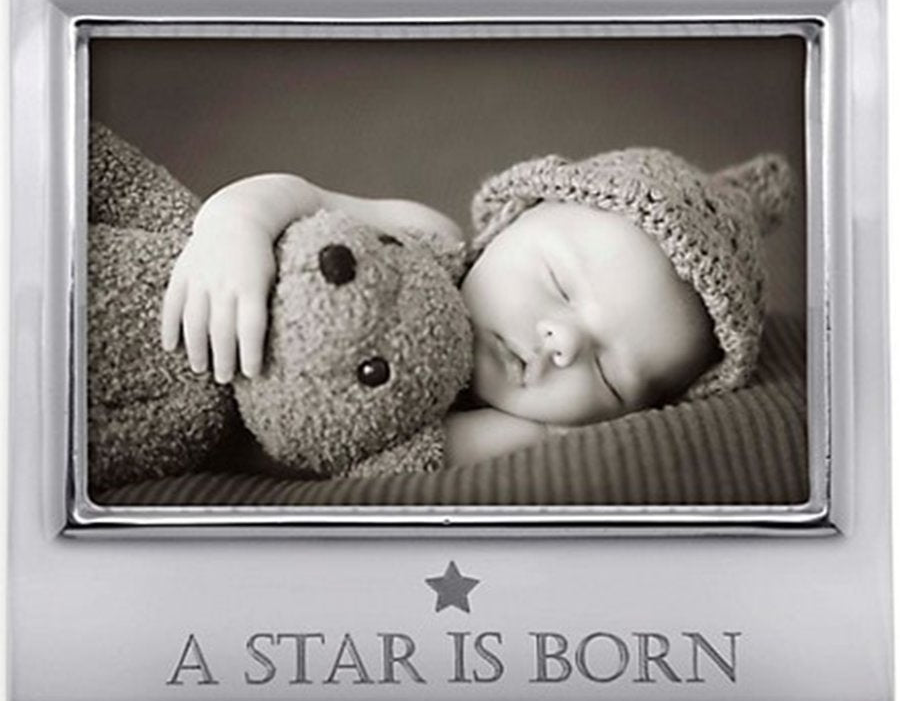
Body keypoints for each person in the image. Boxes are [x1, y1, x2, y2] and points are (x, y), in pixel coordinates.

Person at [161, 147, 793, 466]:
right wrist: (234, 226)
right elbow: (297, 194)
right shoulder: (421, 237)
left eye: (610, 375)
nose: (564, 343)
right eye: (560, 283)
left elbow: (398, 460)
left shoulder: (518, 436)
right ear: (515, 219)